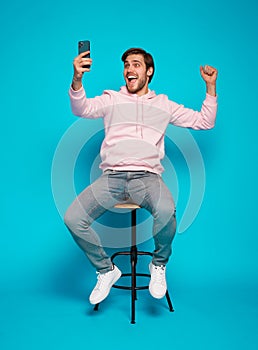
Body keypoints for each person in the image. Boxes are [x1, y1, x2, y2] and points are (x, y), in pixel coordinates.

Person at [64, 47, 218, 305]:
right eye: (126, 65)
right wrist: (77, 79)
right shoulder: (111, 99)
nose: (128, 69)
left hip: (147, 179)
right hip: (111, 179)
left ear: (149, 71)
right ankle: (106, 270)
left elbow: (204, 121)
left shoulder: (164, 105)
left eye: (135, 64)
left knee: (167, 211)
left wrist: (210, 87)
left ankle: (158, 265)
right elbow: (82, 108)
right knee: (73, 218)